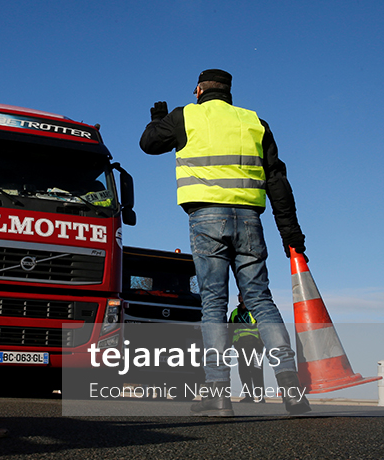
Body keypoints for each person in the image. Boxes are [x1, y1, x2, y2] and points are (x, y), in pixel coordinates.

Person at [140, 69, 311, 417]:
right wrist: (290, 233)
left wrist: (157, 118)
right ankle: (292, 391)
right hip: (250, 220)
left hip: (206, 219)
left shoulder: (185, 115)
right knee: (261, 301)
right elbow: (277, 180)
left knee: (213, 305)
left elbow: (149, 144)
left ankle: (218, 395)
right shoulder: (254, 122)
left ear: (199, 89)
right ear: (229, 92)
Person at [229, 293, 265, 403]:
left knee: (256, 370)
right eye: (238, 295)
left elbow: (262, 327)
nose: (239, 297)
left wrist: (261, 343)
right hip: (241, 345)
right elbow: (229, 330)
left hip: (255, 345)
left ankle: (260, 397)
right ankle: (249, 396)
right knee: (244, 371)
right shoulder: (234, 313)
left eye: (241, 295)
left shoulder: (254, 311)